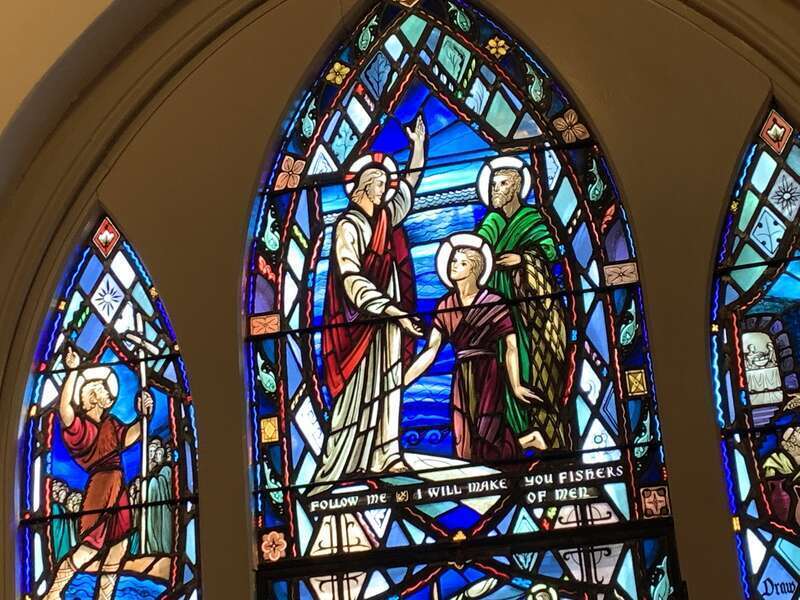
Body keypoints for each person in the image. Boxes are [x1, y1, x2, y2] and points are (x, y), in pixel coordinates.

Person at [315, 115, 427, 487]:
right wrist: (393, 310)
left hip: (387, 317)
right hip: (359, 322)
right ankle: (347, 458)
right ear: (361, 186)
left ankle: (388, 452)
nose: (383, 188)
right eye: (377, 183)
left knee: (390, 380)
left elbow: (408, 189)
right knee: (360, 387)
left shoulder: (384, 217)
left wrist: (419, 149)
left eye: (383, 182)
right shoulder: (348, 225)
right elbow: (351, 278)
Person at [404, 235, 540, 463]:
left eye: (461, 262)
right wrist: (402, 380)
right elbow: (431, 350)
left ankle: (529, 440)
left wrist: (516, 385)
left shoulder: (493, 300)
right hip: (461, 375)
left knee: (488, 434)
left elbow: (511, 346)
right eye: (452, 262)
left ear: (475, 269)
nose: (454, 266)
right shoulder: (445, 305)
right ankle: (524, 443)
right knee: (464, 440)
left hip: (487, 373)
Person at [44, 347, 153, 600]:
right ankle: (53, 593)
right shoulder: (80, 429)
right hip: (102, 487)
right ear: (92, 396)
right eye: (105, 390)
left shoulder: (111, 423)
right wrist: (72, 372)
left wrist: (143, 415)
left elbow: (129, 436)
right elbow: (65, 411)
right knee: (90, 547)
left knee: (119, 545)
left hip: (118, 485)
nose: (110, 396)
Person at [475, 157, 567, 451]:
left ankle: (538, 425)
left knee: (530, 362)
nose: (495, 190)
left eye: (501, 184)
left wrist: (523, 259)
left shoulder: (531, 219)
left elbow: (550, 251)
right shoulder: (491, 222)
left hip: (529, 309)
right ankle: (510, 435)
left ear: (515, 187)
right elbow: (479, 252)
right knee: (501, 364)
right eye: (492, 185)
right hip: (497, 306)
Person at [145, 440, 173, 554]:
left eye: (158, 454)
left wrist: (156, 481)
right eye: (154, 453)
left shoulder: (166, 469)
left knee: (163, 529)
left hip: (164, 508)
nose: (156, 456)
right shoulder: (157, 469)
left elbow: (168, 487)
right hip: (155, 505)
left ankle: (163, 548)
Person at [50, 480, 75, 562]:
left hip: (65, 537)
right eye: (63, 492)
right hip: (58, 536)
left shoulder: (63, 508)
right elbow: (56, 525)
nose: (65, 495)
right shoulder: (55, 507)